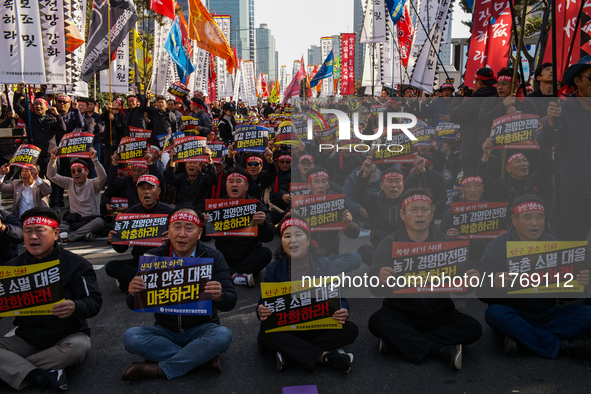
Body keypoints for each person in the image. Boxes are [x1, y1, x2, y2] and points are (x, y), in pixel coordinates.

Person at [368, 188, 482, 370]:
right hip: (401, 311)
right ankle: (441, 349)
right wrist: (379, 277)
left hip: (439, 312)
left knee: (473, 328)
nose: (420, 214)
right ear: (402, 214)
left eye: (424, 209)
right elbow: (373, 287)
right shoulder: (389, 243)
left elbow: (461, 286)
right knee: (376, 322)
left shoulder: (448, 243)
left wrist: (469, 281)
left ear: (432, 212)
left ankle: (399, 342)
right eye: (413, 209)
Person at [120, 206, 236, 381]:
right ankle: (200, 360)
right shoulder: (153, 257)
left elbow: (231, 301)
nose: (182, 234)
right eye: (177, 227)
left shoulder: (214, 257)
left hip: (202, 329)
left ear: (199, 233)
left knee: (223, 335)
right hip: (164, 330)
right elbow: (132, 304)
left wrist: (220, 295)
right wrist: (133, 292)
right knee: (131, 337)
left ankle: (159, 369)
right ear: (168, 231)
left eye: (189, 228)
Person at [0, 207, 102, 391]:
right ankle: (40, 375)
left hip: (65, 338)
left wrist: (74, 306)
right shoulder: (13, 266)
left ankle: (15, 369)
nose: (32, 237)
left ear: (55, 234)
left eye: (39, 230)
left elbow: (94, 302)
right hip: (25, 338)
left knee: (80, 347)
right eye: (27, 231)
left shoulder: (76, 264)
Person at [477, 195, 591, 359]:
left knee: (588, 314)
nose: (535, 223)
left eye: (540, 217)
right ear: (514, 220)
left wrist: (581, 284)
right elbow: (481, 292)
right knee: (494, 314)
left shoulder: (556, 246)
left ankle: (522, 340)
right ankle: (561, 347)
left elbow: (567, 296)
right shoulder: (496, 247)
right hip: (513, 312)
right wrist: (494, 284)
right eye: (527, 217)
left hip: (547, 313)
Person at [257, 214, 359, 373]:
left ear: (309, 240)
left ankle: (291, 356)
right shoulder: (273, 269)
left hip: (317, 326)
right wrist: (262, 311)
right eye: (287, 236)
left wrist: (343, 310)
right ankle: (326, 357)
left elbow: (340, 298)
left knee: (351, 330)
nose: (293, 240)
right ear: (282, 242)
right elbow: (263, 305)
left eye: (299, 234)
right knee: (266, 333)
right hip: (288, 328)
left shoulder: (325, 265)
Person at [539, 56, 591, 241]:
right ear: (577, 81)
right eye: (590, 77)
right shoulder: (563, 108)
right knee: (566, 241)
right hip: (571, 190)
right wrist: (551, 120)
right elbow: (543, 143)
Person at [105, 174, 174, 291]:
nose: (146, 191)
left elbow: (186, 242)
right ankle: (155, 281)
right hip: (140, 261)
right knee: (111, 266)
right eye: (142, 188)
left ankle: (133, 282)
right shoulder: (129, 215)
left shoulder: (171, 212)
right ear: (137, 191)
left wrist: (173, 238)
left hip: (164, 261)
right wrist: (114, 240)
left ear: (158, 191)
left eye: (150, 188)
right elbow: (121, 249)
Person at [212, 168, 275, 287]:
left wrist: (263, 224)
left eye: (238, 181)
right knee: (209, 255)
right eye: (230, 181)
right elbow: (205, 238)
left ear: (246, 186)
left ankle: (228, 274)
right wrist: (204, 224)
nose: (234, 184)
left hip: (248, 254)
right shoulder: (216, 206)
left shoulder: (256, 205)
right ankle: (237, 276)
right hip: (224, 254)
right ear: (226, 185)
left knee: (266, 253)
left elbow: (269, 237)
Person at [48, 147, 106, 242]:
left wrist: (95, 160)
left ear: (87, 172)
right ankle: (83, 235)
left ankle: (71, 237)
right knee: (54, 226)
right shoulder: (69, 182)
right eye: (73, 171)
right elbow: (52, 176)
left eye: (79, 170)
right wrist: (53, 159)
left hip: (91, 220)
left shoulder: (94, 183)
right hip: (75, 221)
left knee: (98, 222)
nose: (76, 173)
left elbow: (103, 176)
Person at [355, 159, 405, 266]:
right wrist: (365, 174)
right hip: (381, 247)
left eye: (397, 181)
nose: (394, 185)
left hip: (404, 248)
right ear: (381, 186)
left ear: (403, 185)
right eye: (390, 181)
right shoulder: (374, 199)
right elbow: (359, 194)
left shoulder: (409, 202)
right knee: (363, 250)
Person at [305, 167, 361, 259]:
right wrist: (288, 219)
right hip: (307, 254)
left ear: (328, 184)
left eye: (324, 181)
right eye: (316, 182)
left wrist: (350, 224)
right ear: (309, 185)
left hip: (330, 254)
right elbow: (282, 232)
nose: (321, 186)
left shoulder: (338, 203)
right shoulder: (299, 204)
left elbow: (354, 234)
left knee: (355, 258)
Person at [451, 67, 498, 174]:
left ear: (479, 83)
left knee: (473, 183)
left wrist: (458, 97)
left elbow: (454, 115)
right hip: (494, 150)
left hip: (471, 151)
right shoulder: (498, 100)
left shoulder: (471, 102)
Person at [12, 84, 66, 172]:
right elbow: (17, 106)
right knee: (37, 181)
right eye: (36, 104)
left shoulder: (52, 118)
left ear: (46, 107)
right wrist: (18, 90)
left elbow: (62, 129)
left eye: (41, 104)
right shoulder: (29, 117)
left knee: (53, 180)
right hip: (35, 154)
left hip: (50, 154)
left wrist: (57, 115)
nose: (38, 106)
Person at [438, 175, 491, 262]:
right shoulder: (452, 212)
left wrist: (502, 235)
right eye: (468, 186)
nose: (472, 190)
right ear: (462, 190)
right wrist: (448, 237)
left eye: (476, 185)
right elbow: (440, 239)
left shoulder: (493, 209)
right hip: (461, 259)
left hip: (488, 257)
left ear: (482, 188)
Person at [404, 153, 447, 219]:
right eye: (421, 164)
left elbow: (443, 197)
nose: (423, 167)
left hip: (435, 210)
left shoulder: (438, 177)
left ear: (431, 166)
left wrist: (435, 206)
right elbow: (405, 197)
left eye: (426, 166)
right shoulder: (410, 179)